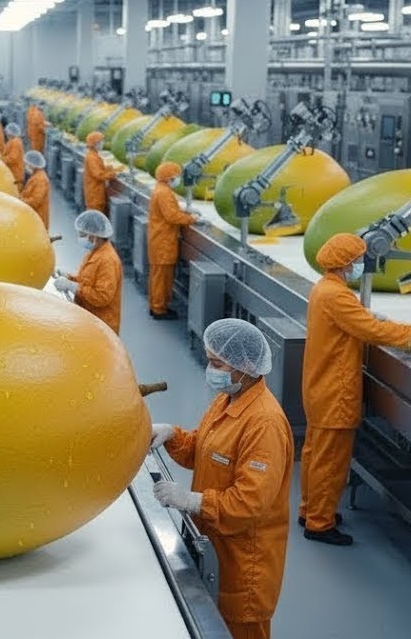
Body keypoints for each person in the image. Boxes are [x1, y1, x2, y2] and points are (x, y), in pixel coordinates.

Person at [152, 318, 293, 639]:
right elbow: (203, 448)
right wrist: (172, 435)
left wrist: (191, 500)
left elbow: (249, 503)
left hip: (245, 564)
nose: (210, 368)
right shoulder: (228, 398)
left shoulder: (264, 424)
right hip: (215, 544)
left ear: (245, 365)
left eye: (217, 362)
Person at [299, 233, 411, 546]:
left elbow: (352, 321)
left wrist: (368, 314)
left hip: (318, 388)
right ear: (346, 264)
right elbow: (370, 331)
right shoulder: (337, 296)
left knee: (315, 455)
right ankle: (319, 524)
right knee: (330, 462)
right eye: (357, 259)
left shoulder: (325, 288)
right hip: (335, 393)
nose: (361, 264)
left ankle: (310, 509)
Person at [147, 162, 203, 320]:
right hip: (163, 242)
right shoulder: (164, 193)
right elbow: (172, 216)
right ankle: (159, 310)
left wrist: (185, 209)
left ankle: (156, 305)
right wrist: (192, 219)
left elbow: (169, 209)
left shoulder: (161, 189)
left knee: (158, 277)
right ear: (170, 177)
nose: (178, 179)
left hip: (159, 240)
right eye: (177, 176)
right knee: (162, 278)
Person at [54, 210, 123, 334]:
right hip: (91, 318)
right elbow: (86, 280)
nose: (80, 238)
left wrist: (73, 287)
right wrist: (68, 277)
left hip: (103, 325)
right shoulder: (95, 252)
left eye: (82, 234)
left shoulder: (108, 261)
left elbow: (102, 297)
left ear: (93, 236)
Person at [82, 131, 118, 213]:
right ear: (96, 143)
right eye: (101, 142)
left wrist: (110, 169)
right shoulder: (92, 157)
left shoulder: (94, 155)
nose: (102, 144)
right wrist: (113, 174)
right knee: (95, 216)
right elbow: (98, 175)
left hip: (96, 192)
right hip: (95, 194)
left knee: (96, 216)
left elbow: (99, 169)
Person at [20, 150, 50, 229]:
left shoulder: (40, 180)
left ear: (32, 165)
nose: (25, 166)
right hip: (33, 214)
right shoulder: (35, 175)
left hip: (38, 216)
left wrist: (21, 200)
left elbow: (35, 201)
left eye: (27, 164)